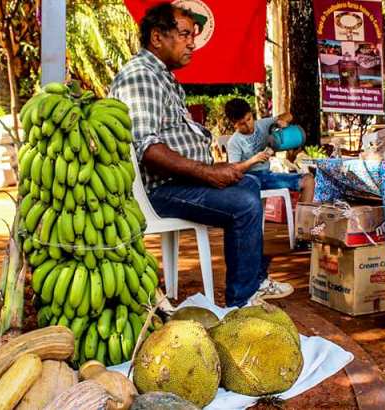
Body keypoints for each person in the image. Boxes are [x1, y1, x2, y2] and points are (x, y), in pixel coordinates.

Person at [109, 3, 293, 307]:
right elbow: (148, 149)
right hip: (159, 191)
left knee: (250, 185)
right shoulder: (141, 76)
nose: (192, 43)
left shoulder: (161, 76)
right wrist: (209, 173)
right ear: (157, 37)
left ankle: (252, 283)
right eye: (184, 35)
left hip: (178, 182)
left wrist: (217, 168)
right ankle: (243, 302)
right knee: (244, 203)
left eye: (193, 35)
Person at [224, 98, 315, 203]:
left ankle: (302, 219)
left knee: (308, 180)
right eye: (242, 124)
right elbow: (233, 170)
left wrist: (281, 121)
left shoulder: (262, 124)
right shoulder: (234, 142)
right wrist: (253, 160)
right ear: (234, 124)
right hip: (250, 180)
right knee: (254, 184)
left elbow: (289, 115)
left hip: (268, 175)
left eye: (249, 119)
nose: (248, 126)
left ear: (251, 114)